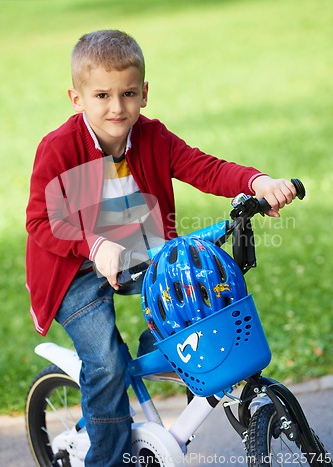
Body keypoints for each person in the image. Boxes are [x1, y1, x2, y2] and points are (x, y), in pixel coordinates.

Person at [26, 29, 296, 466]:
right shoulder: (58, 149)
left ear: (144, 93)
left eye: (128, 93)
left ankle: (165, 352)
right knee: (108, 365)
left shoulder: (152, 137)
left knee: (199, 302)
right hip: (71, 269)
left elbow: (203, 167)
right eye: (101, 95)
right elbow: (41, 221)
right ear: (76, 99)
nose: (117, 107)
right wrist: (94, 246)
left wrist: (256, 182)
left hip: (137, 254)